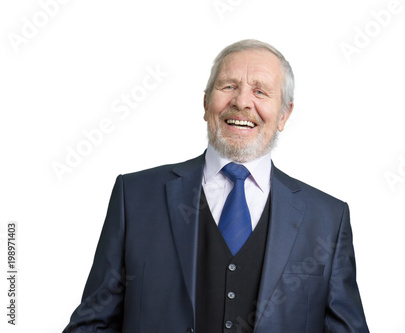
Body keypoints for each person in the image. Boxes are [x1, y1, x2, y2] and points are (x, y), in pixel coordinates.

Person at [63, 39, 370, 333]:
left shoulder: (328, 218)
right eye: (229, 86)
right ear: (206, 101)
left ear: (284, 114)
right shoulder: (136, 197)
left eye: (260, 91)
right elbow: (92, 325)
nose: (241, 102)